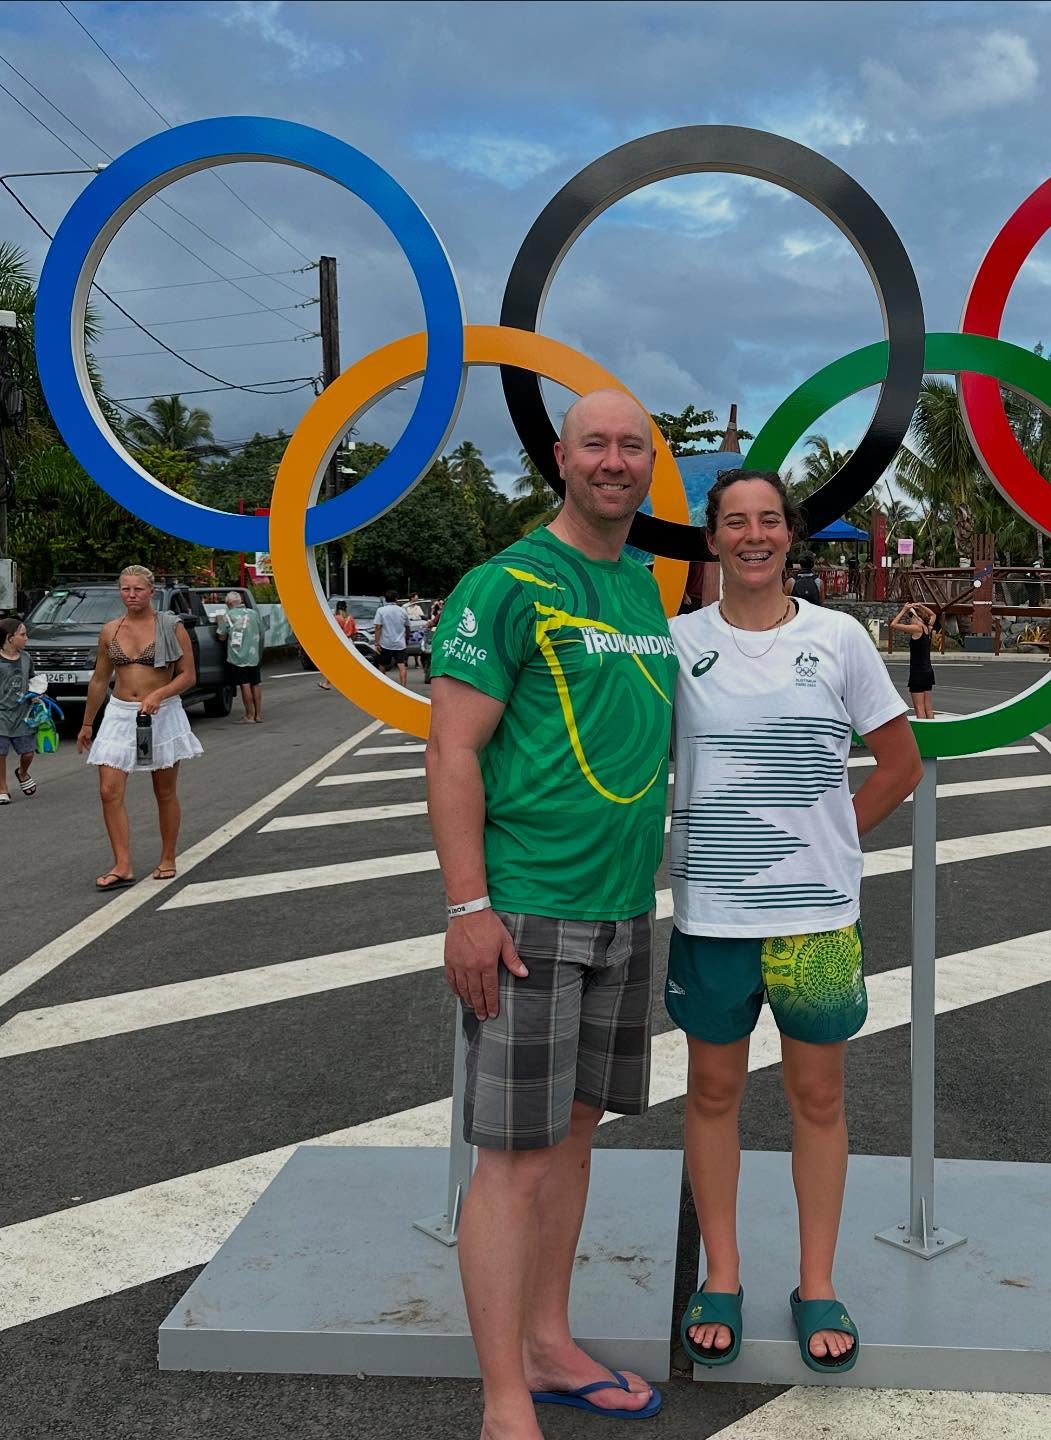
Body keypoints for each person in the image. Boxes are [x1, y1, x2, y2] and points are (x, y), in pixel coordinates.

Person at [426, 389, 675, 1436]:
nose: (614, 461)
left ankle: (549, 1338)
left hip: (624, 912)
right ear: (560, 461)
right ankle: (502, 1402)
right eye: (596, 445)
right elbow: (451, 752)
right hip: (529, 916)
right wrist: (467, 907)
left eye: (632, 445)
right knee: (513, 1162)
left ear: (649, 465)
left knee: (573, 1140)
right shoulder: (508, 583)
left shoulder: (642, 590)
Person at [667, 469, 922, 1374]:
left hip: (817, 920)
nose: (753, 536)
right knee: (712, 1095)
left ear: (790, 535)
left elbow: (899, 763)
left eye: (768, 520)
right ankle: (723, 1273)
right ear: (712, 541)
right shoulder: (674, 643)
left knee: (818, 1099)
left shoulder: (839, 637)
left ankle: (817, 1282)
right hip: (713, 914)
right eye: (734, 522)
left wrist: (833, 841)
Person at [78, 565, 203, 888]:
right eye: (125, 589)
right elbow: (100, 679)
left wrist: (160, 694)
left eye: (137, 589)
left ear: (151, 592)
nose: (131, 595)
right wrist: (88, 722)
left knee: (163, 790)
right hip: (119, 713)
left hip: (161, 714)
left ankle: (168, 857)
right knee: (108, 790)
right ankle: (122, 864)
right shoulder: (110, 630)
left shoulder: (170, 627)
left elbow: (188, 676)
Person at [0, 617, 38, 803]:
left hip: (23, 714)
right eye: (22, 635)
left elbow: (32, 680)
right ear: (9, 638)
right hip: (1, 714)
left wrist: (37, 694)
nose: (26, 638)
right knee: (0, 752)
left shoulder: (26, 658)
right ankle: (2, 788)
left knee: (28, 752)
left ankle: (22, 772)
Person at [216, 591, 266, 722]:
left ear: (229, 603)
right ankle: (258, 715)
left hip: (238, 657)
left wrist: (218, 622)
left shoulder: (228, 616)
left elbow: (221, 637)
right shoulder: (253, 614)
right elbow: (261, 631)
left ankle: (249, 715)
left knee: (245, 684)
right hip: (253, 655)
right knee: (255, 684)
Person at [890, 601, 937, 719]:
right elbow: (933, 615)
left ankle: (923, 735)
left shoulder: (917, 628)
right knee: (928, 708)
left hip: (918, 672)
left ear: (917, 617)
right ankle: (933, 732)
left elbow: (893, 624)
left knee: (919, 709)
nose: (910, 620)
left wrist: (904, 610)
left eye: (912, 617)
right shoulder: (928, 628)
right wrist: (921, 606)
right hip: (928, 671)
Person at [373, 589, 411, 687]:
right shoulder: (402, 610)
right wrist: (407, 639)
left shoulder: (381, 610)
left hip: (385, 643)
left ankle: (384, 685)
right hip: (400, 644)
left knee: (381, 664)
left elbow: (378, 627)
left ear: (385, 599)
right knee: (402, 665)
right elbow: (407, 627)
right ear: (397, 599)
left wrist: (376, 642)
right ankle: (403, 687)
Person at [421, 598, 443, 684]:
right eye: (440, 604)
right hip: (437, 639)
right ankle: (426, 669)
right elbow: (432, 623)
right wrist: (426, 626)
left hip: (448, 641)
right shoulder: (442, 613)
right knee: (423, 654)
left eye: (443, 604)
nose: (441, 605)